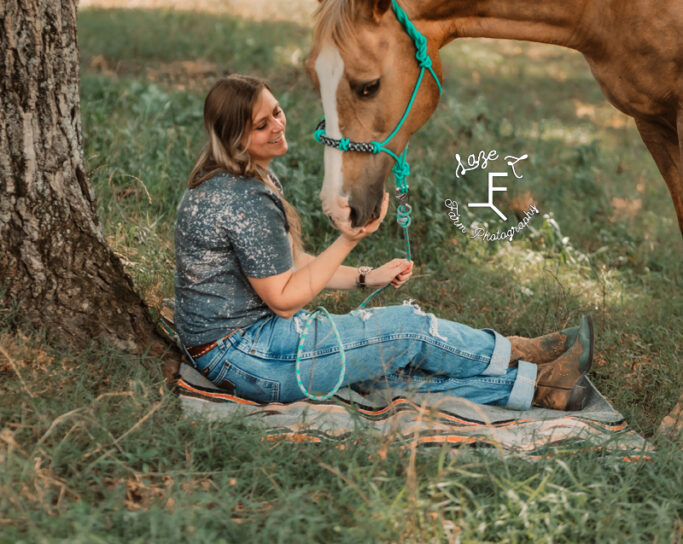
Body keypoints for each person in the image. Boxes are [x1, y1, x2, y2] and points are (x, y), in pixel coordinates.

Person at [174, 74, 593, 409]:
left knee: (387, 373)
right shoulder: (244, 199)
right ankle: (518, 352)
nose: (279, 125)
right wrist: (349, 240)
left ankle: (539, 387)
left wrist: (366, 277)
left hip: (238, 353)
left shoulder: (238, 175)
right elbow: (284, 299)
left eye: (277, 112)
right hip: (249, 355)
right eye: (262, 125)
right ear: (236, 139)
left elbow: (291, 261)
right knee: (409, 330)